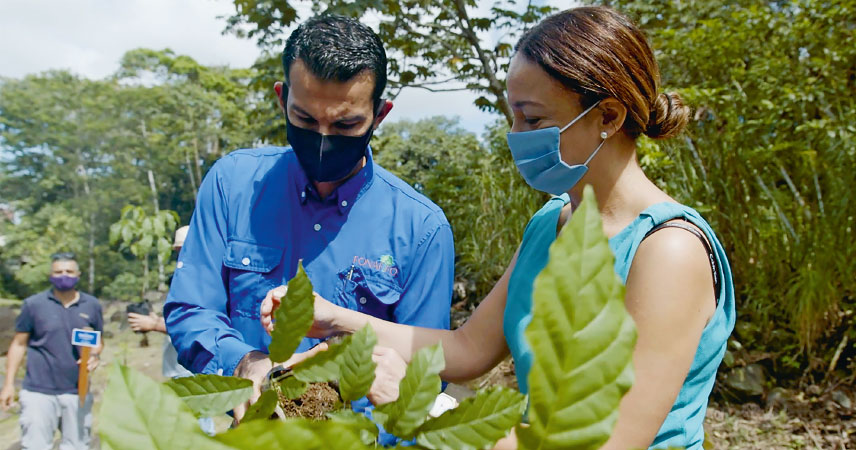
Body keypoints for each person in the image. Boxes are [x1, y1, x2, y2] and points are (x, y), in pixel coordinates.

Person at [262, 6, 735, 450]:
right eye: (513, 115)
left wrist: (428, 406)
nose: (516, 135)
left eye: (533, 118)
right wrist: (336, 319)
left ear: (608, 116)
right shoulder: (553, 223)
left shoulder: (668, 250)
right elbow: (468, 349)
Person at [164, 14, 455, 425]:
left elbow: (428, 367)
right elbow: (191, 308)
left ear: (380, 114)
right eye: (304, 119)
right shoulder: (232, 186)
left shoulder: (422, 230)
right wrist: (245, 364)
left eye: (345, 123)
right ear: (282, 99)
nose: (322, 137)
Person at [1, 252, 103, 450]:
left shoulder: (92, 305)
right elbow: (19, 344)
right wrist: (8, 384)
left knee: (77, 446)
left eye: (69, 271)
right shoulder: (33, 305)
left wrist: (95, 356)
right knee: (35, 446)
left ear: (78, 274)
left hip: (77, 391)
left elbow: (98, 341)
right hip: (38, 391)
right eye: (58, 272)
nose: (64, 275)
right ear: (50, 274)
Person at [127, 225, 215, 435]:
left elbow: (198, 323)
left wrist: (155, 325)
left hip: (193, 369)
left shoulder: (206, 280)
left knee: (197, 428)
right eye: (178, 251)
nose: (182, 255)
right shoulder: (182, 278)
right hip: (179, 366)